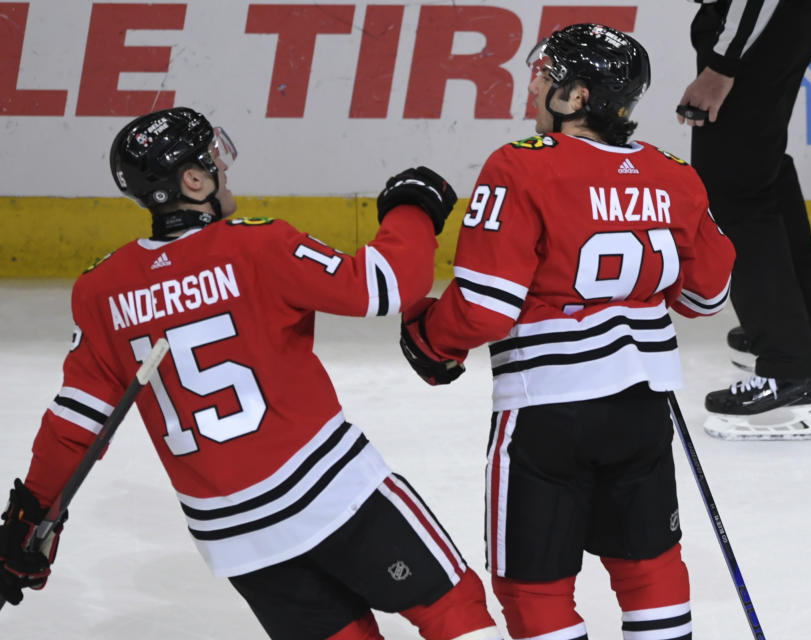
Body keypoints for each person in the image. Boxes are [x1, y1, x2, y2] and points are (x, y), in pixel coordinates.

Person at [0, 107, 502, 640]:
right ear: (193, 182)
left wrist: (29, 517)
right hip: (333, 495)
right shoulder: (255, 245)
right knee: (455, 611)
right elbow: (383, 286)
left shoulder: (101, 290)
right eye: (213, 160)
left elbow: (75, 425)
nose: (224, 168)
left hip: (235, 537)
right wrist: (413, 206)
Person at [398, 24, 735, 640]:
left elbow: (482, 307)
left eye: (546, 77)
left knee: (534, 583)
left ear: (578, 97)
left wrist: (428, 338)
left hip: (547, 414)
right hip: (642, 408)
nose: (533, 88)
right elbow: (706, 296)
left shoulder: (519, 167)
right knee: (649, 564)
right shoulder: (674, 174)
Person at [676, 0, 811, 440]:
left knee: (736, 191)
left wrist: (722, 63)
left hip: (756, 25)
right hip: (774, 21)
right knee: (760, 169)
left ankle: (790, 375)